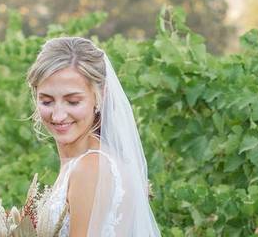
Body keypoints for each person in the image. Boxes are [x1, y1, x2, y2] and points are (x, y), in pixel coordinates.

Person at [26, 37, 161, 237]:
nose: (58, 115)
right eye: (47, 101)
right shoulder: (89, 160)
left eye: (72, 101)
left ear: (100, 96)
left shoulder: (89, 168)